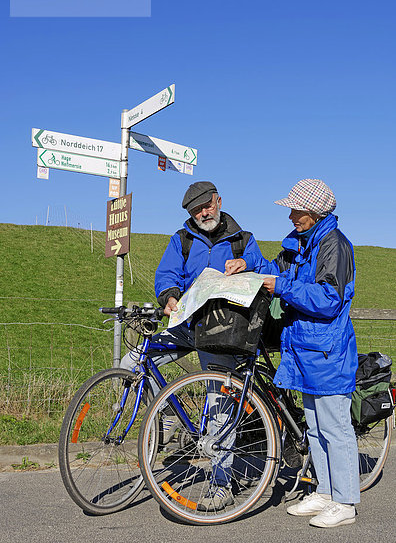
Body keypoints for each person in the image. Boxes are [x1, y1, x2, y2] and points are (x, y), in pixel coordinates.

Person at [121, 180, 265, 509]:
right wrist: (169, 296)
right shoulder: (182, 239)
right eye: (195, 210)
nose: (202, 213)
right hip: (186, 325)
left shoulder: (244, 240)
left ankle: (220, 484)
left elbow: (263, 271)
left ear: (218, 200)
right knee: (131, 363)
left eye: (206, 206)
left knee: (218, 407)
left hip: (221, 333)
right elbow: (166, 274)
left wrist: (246, 265)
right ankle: (167, 417)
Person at [226, 178, 360, 528]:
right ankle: (327, 493)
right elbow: (278, 270)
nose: (290, 216)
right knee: (315, 427)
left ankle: (345, 503)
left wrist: (281, 286)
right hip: (307, 349)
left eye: (295, 209)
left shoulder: (334, 246)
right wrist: (249, 266)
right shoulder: (307, 243)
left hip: (327, 350)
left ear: (314, 212)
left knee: (335, 427)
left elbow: (329, 299)